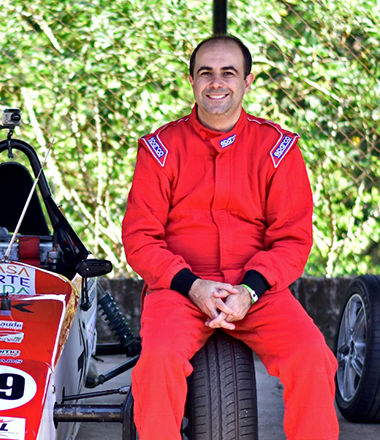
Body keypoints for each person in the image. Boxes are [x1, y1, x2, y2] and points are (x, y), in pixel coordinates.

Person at [121, 35, 339, 440]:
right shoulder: (160, 149)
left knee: (313, 357)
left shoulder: (277, 148)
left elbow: (293, 239)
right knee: (157, 363)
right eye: (206, 73)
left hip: (258, 290)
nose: (216, 83)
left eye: (228, 73)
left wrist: (250, 290)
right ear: (191, 80)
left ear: (247, 81)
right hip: (180, 288)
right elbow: (140, 238)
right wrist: (193, 286)